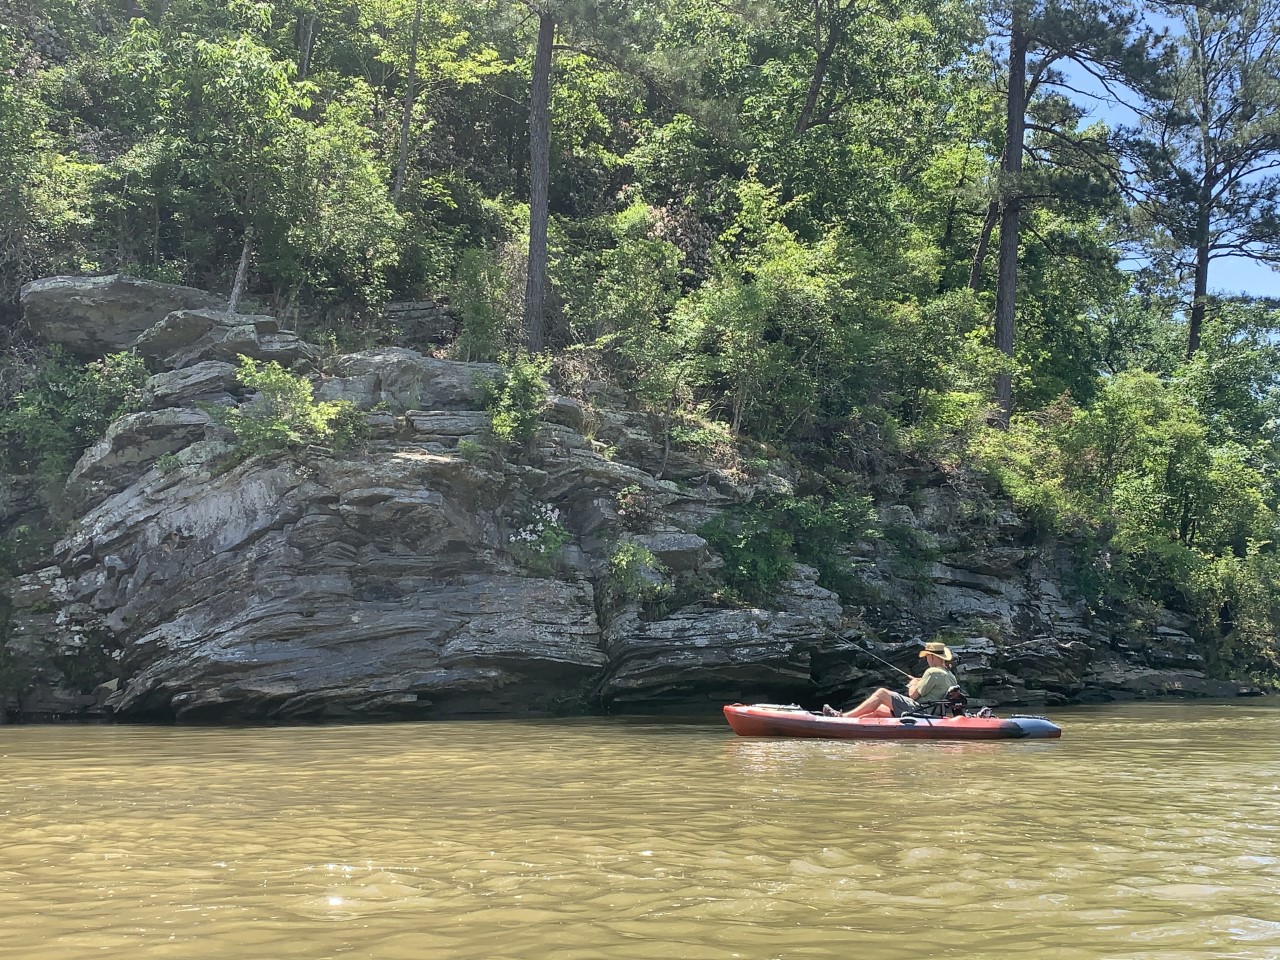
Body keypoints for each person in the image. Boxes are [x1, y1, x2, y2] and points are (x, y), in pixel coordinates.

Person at [823, 641, 958, 718]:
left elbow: (913, 695)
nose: (927, 659)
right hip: (932, 711)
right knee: (878, 709)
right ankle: (848, 724)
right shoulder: (950, 676)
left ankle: (844, 718)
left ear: (932, 657)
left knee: (882, 693)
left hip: (920, 711)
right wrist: (919, 681)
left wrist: (912, 684)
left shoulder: (932, 671)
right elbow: (934, 690)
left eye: (927, 657)